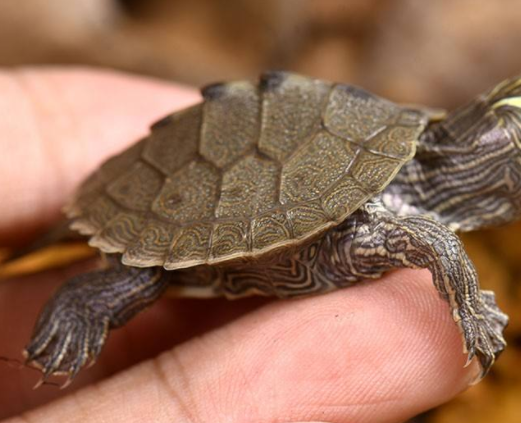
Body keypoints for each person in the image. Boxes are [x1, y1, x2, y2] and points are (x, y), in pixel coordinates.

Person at [0, 68, 478, 422]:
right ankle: (79, 303)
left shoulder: (412, 181)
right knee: (144, 273)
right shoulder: (403, 170)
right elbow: (429, 237)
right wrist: (472, 312)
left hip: (261, 197)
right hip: (185, 198)